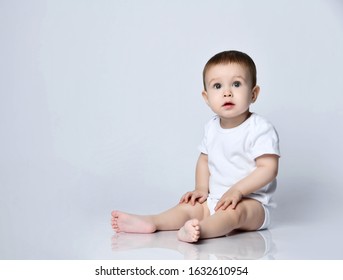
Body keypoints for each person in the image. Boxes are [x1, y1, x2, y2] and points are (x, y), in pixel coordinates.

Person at [111, 50, 280, 243]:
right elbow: (204, 160)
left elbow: (268, 168)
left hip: (253, 204)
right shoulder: (211, 127)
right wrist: (201, 189)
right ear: (206, 98)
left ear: (253, 93)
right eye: (217, 86)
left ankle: (200, 229)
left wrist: (238, 191)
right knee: (188, 208)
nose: (227, 92)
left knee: (235, 214)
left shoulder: (259, 128)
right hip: (215, 199)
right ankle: (152, 221)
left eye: (236, 84)